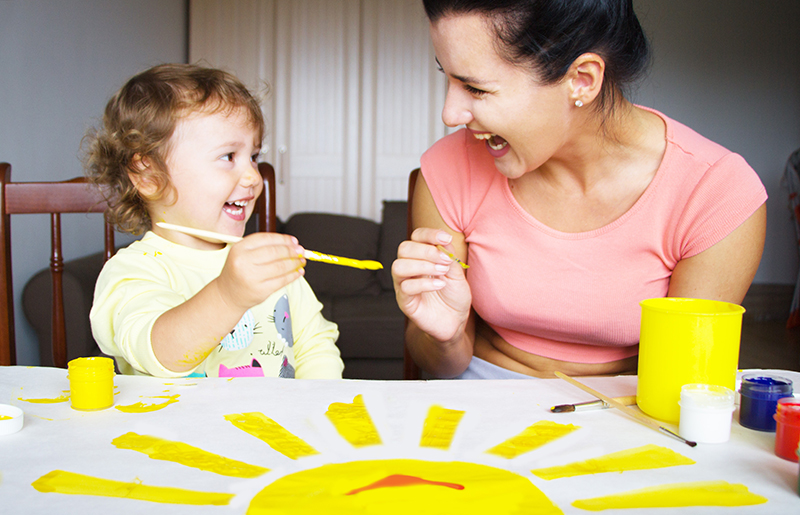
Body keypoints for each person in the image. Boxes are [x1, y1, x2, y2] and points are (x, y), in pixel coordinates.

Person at [392, 0, 767, 379]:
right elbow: (440, 367)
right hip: (481, 401)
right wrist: (446, 338)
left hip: (633, 414)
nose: (450, 114)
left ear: (582, 80)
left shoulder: (715, 194)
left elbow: (683, 385)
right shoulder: (448, 169)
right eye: (449, 78)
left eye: (476, 88)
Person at [87, 64, 343, 379]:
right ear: (149, 175)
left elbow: (315, 345)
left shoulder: (272, 264)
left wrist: (315, 409)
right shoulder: (133, 271)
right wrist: (228, 294)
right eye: (228, 157)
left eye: (254, 156)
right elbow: (162, 354)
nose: (252, 176)